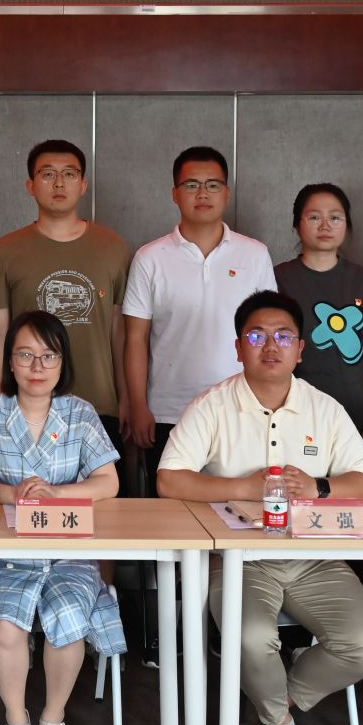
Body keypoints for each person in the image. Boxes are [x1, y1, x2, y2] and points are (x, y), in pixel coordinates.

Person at [156, 291, 363, 725]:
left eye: (283, 336)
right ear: (238, 347)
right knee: (250, 637)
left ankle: (270, 708)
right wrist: (244, 486)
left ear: (301, 349)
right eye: (256, 336)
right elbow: (169, 479)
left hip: (314, 556)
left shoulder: (324, 409)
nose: (270, 346)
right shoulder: (213, 405)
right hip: (238, 557)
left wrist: (320, 487)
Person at [0, 310, 125, 725]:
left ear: (62, 362)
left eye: (48, 356)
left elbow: (109, 481)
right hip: (2, 550)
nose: (36, 366)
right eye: (25, 355)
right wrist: (14, 494)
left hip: (67, 548)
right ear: (10, 361)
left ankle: (52, 719)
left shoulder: (79, 413)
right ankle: (17, 721)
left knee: (67, 618)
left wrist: (56, 494)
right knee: (7, 624)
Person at [123, 146, 275, 497]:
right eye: (191, 185)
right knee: (170, 512)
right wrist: (138, 405)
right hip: (168, 411)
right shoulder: (150, 258)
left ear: (227, 193)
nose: (202, 194)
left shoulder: (254, 254)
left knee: (239, 509)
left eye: (213, 185)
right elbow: (135, 339)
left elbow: (268, 331)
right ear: (174, 193)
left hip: (242, 408)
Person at [0, 141, 132, 465]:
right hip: (26, 407)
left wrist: (127, 398)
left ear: (84, 185)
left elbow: (119, 331)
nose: (59, 183)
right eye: (48, 174)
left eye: (69, 174)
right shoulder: (6, 251)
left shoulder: (114, 247)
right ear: (30, 185)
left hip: (100, 404)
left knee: (104, 494)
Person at [274, 182, 363, 484]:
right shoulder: (277, 278)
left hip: (355, 418)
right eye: (314, 217)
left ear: (347, 225)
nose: (325, 225)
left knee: (350, 498)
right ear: (297, 224)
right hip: (291, 416)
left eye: (335, 217)